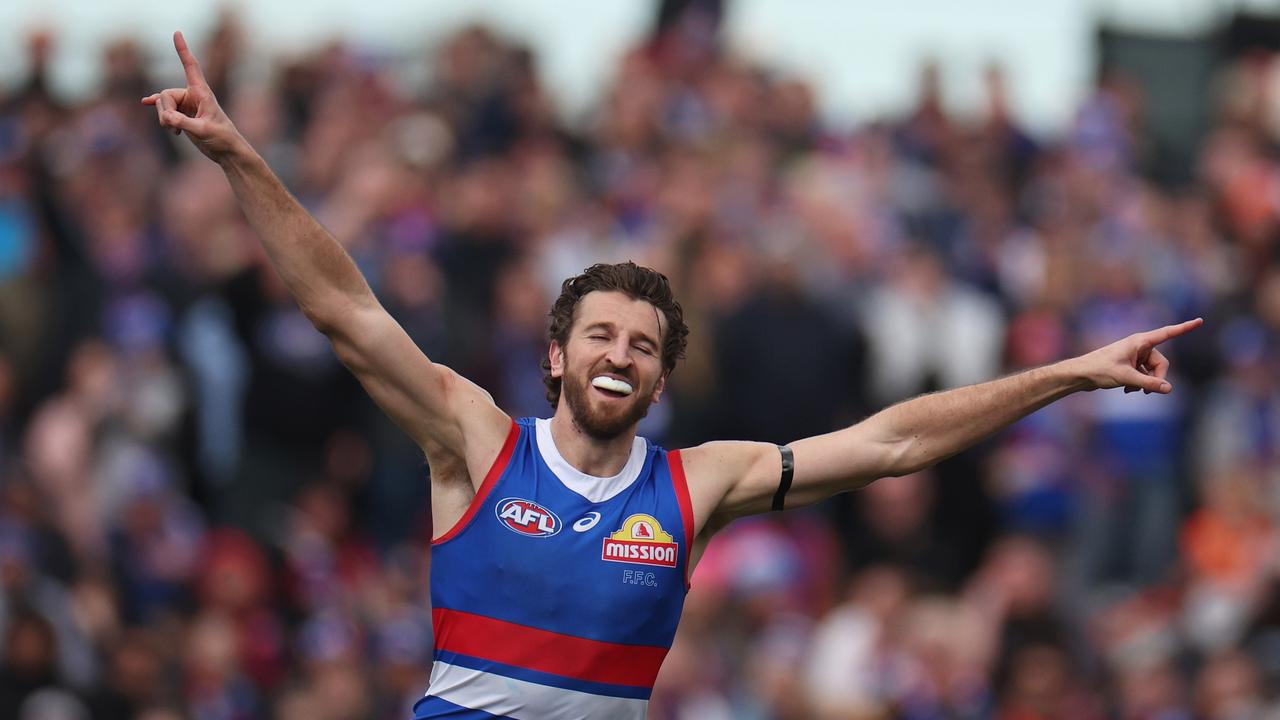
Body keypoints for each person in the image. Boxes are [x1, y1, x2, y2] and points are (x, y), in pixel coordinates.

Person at [143, 31, 1202, 720]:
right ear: (556, 356)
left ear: (658, 380)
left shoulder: (696, 486)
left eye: (643, 346)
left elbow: (894, 443)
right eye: (600, 336)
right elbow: (345, 309)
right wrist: (242, 158)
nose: (620, 355)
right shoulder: (475, 439)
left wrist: (1064, 372)